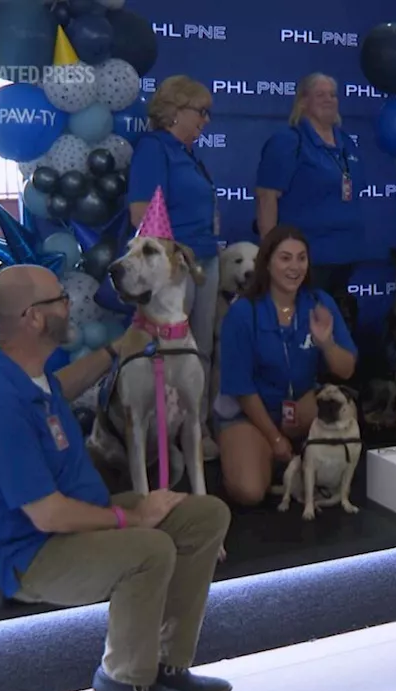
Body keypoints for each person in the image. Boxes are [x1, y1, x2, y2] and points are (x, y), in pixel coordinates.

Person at [0, 265, 232, 691]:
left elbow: (62, 388)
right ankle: (123, 677)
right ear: (32, 317)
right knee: (150, 547)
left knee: (205, 516)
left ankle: (167, 663)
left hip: (79, 518)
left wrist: (117, 349)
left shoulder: (27, 376)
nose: (70, 305)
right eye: (59, 299)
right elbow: (47, 515)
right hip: (34, 553)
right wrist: (132, 518)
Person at [214, 225, 358, 506]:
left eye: (301, 258)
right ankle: (265, 453)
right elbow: (242, 389)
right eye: (285, 258)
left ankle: (293, 459)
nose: (295, 267)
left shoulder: (319, 302)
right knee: (248, 492)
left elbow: (346, 370)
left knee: (345, 408)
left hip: (300, 405)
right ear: (266, 263)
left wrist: (326, 343)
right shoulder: (243, 313)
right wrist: (275, 439)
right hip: (250, 413)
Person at [128, 75, 221, 458]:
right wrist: (174, 258)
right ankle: (162, 439)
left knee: (199, 353)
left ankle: (195, 431)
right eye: (201, 112)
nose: (206, 120)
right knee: (171, 354)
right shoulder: (154, 149)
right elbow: (141, 216)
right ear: (174, 111)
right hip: (175, 267)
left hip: (205, 258)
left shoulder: (188, 154)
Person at [255, 73, 367, 301]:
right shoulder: (288, 142)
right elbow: (266, 197)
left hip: (347, 254)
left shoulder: (346, 142)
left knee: (334, 327)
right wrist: (271, 254)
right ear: (303, 101)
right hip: (307, 257)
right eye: (320, 95)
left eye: (333, 95)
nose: (329, 100)